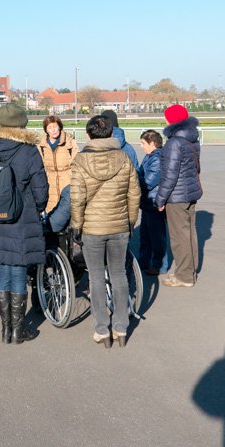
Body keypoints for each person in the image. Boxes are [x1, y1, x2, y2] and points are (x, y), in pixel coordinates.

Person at [0, 103, 49, 345]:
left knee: (2, 269)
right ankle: (19, 330)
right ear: (22, 124)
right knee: (17, 269)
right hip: (22, 215)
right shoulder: (28, 150)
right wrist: (39, 207)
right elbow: (41, 189)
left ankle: (5, 329)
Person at [70, 114, 140, 347]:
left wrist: (77, 225)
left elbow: (77, 198)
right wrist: (130, 222)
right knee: (119, 275)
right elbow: (134, 194)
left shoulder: (80, 161)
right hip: (120, 226)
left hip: (92, 229)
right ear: (111, 133)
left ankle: (102, 329)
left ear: (88, 135)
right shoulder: (124, 157)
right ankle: (121, 328)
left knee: (96, 278)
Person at [155, 104, 202, 288]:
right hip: (190, 191)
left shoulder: (174, 143)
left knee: (179, 237)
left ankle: (184, 276)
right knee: (190, 234)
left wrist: (160, 199)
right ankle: (189, 270)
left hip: (177, 196)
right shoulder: (192, 139)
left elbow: (169, 174)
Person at [37, 115, 78, 232]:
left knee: (67, 215)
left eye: (55, 127)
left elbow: (76, 162)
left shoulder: (70, 142)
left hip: (67, 180)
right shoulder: (41, 145)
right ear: (46, 130)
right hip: (49, 182)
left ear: (60, 127)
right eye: (50, 127)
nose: (53, 130)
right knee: (51, 215)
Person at [137, 129, 168, 276]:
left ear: (153, 143)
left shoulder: (157, 158)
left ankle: (159, 265)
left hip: (155, 203)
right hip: (147, 203)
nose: (141, 146)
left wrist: (134, 178)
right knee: (145, 236)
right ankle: (143, 262)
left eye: (143, 143)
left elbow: (149, 182)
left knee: (157, 237)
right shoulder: (149, 157)